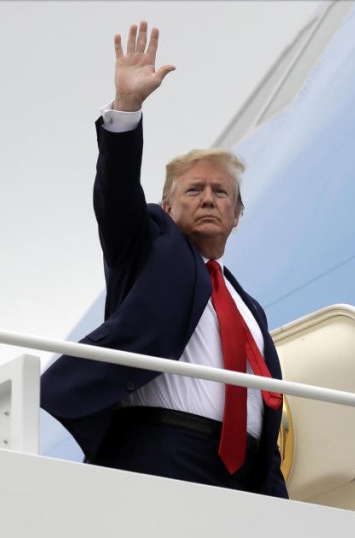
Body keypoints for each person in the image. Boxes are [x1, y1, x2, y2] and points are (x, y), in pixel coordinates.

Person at [40, 21, 288, 498]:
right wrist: (127, 109)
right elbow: (116, 198)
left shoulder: (249, 309)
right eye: (194, 190)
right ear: (169, 207)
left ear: (237, 215)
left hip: (243, 476)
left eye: (221, 193)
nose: (209, 199)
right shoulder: (149, 245)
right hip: (161, 450)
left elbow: (266, 401)